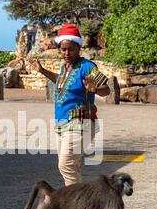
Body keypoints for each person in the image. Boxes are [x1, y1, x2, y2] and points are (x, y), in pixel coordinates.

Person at [28, 23, 110, 186]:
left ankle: (74, 205)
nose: (66, 53)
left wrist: (94, 89)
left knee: (66, 165)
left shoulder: (87, 67)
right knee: (72, 167)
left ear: (78, 47)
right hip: (63, 123)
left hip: (81, 123)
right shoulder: (65, 67)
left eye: (71, 49)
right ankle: (80, 206)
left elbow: (106, 90)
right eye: (63, 49)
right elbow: (60, 81)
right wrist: (43, 71)